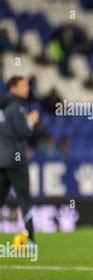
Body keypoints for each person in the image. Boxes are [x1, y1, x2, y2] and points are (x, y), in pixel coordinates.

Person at [0, 76, 40, 248]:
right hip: (16, 162)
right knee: (25, 200)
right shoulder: (16, 108)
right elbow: (22, 133)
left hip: (1, 161)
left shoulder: (3, 108)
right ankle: (30, 239)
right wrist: (30, 122)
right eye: (23, 86)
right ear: (13, 89)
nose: (27, 89)